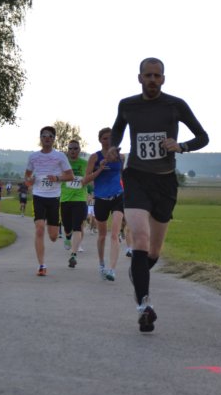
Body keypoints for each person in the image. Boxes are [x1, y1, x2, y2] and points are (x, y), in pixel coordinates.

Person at [106, 57, 209, 332]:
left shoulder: (175, 105)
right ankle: (144, 307)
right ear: (139, 78)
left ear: (163, 79)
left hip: (165, 182)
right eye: (148, 75)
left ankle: (137, 273)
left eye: (157, 75)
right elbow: (117, 129)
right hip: (136, 177)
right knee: (140, 238)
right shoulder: (127, 105)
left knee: (154, 251)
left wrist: (181, 146)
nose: (152, 80)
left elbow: (203, 137)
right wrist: (113, 147)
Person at [25, 126, 74, 277]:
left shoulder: (60, 156)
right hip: (38, 196)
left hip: (53, 197)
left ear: (54, 139)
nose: (47, 138)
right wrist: (30, 180)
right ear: (40, 138)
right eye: (44, 135)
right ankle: (42, 265)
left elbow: (70, 176)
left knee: (53, 237)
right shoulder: (33, 157)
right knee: (39, 228)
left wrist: (57, 178)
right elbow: (27, 177)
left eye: (50, 136)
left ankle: (61, 230)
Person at [83, 128, 125, 282]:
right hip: (101, 199)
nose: (108, 141)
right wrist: (100, 168)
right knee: (102, 235)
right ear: (100, 140)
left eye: (111, 138)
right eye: (105, 138)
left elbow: (124, 176)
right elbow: (86, 180)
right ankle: (102, 264)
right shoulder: (95, 157)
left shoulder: (121, 157)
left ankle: (112, 269)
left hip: (118, 197)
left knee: (114, 234)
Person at [60, 140, 88, 269]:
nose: (73, 151)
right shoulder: (63, 164)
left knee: (77, 226)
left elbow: (90, 177)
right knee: (67, 226)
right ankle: (67, 237)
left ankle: (73, 255)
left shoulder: (85, 164)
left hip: (80, 199)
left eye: (75, 148)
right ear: (67, 150)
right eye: (70, 148)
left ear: (79, 150)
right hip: (65, 199)